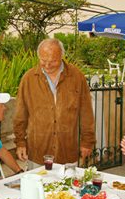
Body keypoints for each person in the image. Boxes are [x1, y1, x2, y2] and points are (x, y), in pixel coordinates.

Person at [14, 38, 95, 167]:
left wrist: (87, 142)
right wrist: (20, 142)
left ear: (62, 56)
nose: (47, 65)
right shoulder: (29, 79)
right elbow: (20, 115)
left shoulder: (76, 77)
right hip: (38, 154)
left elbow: (86, 113)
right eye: (43, 60)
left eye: (53, 61)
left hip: (67, 152)